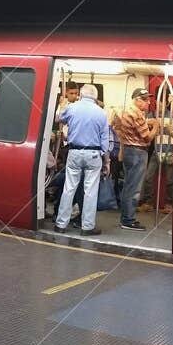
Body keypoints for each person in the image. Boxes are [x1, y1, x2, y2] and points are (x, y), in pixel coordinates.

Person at [54, 84, 113, 235]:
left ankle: (61, 225)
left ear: (81, 94)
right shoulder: (101, 113)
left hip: (74, 151)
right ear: (95, 96)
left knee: (69, 188)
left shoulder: (72, 108)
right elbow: (104, 142)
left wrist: (62, 106)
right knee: (90, 191)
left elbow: (58, 119)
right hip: (93, 154)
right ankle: (87, 227)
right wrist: (107, 162)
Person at [112, 88, 159, 231]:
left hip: (128, 150)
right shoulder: (137, 114)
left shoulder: (127, 112)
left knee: (128, 186)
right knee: (134, 189)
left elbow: (118, 127)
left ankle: (125, 217)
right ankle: (128, 220)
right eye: (145, 100)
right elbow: (147, 137)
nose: (148, 102)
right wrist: (156, 125)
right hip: (138, 152)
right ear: (137, 100)